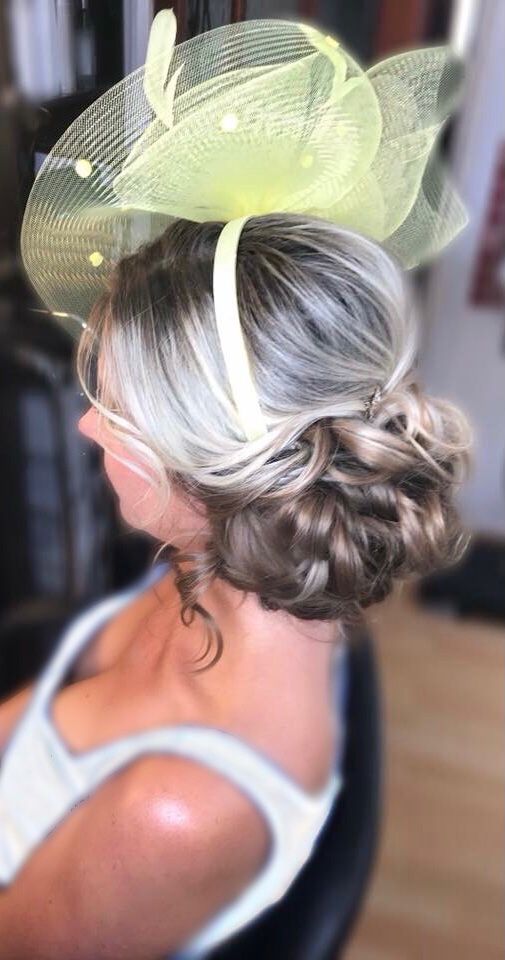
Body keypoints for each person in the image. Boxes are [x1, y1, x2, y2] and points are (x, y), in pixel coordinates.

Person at [1, 11, 473, 960]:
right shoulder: (221, 573)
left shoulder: (180, 811)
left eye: (114, 407)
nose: (87, 422)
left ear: (213, 469)